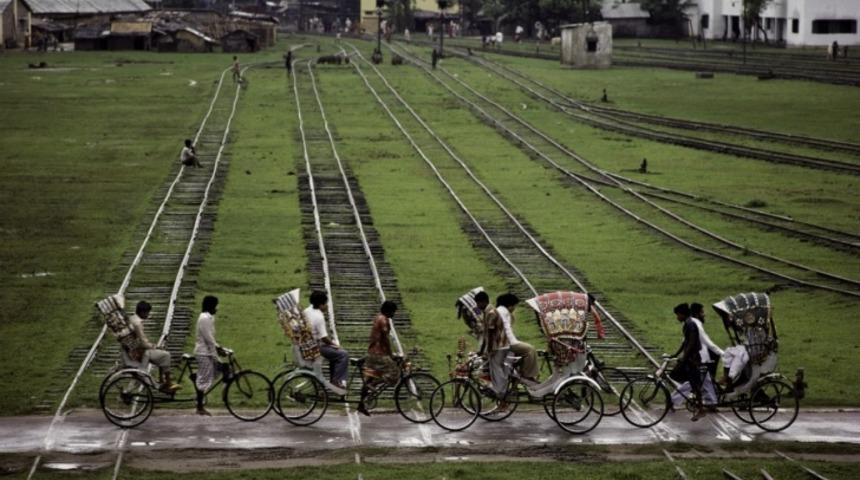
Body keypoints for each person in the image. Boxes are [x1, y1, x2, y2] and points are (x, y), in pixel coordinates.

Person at [123, 301, 181, 393]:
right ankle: (168, 383)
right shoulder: (138, 323)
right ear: (142, 312)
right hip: (140, 352)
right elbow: (143, 342)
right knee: (166, 355)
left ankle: (162, 380)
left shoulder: (132, 318)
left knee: (161, 355)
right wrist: (155, 346)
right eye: (147, 313)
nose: (148, 315)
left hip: (133, 351)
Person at [358, 301, 401, 416]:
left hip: (371, 353)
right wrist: (391, 354)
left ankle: (361, 405)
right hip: (379, 354)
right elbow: (386, 339)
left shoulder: (378, 317)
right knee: (395, 373)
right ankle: (374, 384)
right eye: (393, 312)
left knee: (369, 378)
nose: (394, 314)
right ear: (389, 311)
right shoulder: (384, 320)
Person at [668, 303, 707, 421]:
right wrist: (675, 354)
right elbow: (685, 342)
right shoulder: (687, 324)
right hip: (689, 358)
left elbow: (691, 343)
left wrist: (684, 357)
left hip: (693, 359)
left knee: (695, 385)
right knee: (678, 375)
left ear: (683, 314)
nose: (677, 317)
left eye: (678, 315)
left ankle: (701, 409)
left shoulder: (691, 324)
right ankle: (680, 399)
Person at [303, 291, 349, 390]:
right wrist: (335, 345)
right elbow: (324, 338)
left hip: (307, 344)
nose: (327, 306)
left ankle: (333, 379)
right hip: (315, 347)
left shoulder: (307, 310)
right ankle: (336, 381)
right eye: (326, 303)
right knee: (343, 354)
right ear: (321, 305)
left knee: (334, 354)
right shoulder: (319, 316)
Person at [496, 293, 538, 382]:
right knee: (530, 349)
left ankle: (520, 373)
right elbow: (507, 330)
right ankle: (528, 376)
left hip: (503, 343)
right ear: (509, 305)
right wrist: (515, 343)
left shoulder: (500, 311)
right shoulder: (503, 312)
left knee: (525, 348)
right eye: (514, 306)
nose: (514, 308)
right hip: (506, 344)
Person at [194, 295, 221, 416]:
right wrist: (216, 351)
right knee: (204, 379)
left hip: (207, 351)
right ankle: (200, 407)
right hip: (203, 352)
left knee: (211, 374)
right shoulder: (204, 318)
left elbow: (211, 338)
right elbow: (208, 338)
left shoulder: (209, 318)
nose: (217, 308)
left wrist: (218, 348)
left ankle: (197, 381)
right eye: (216, 305)